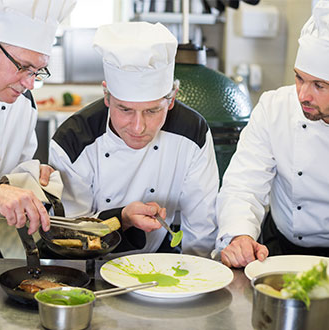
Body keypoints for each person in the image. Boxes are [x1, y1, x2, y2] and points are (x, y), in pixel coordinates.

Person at [49, 22, 219, 257]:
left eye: (152, 111)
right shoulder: (74, 139)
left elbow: (202, 229)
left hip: (160, 259)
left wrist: (194, 282)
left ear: (171, 100)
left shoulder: (193, 131)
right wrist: (123, 218)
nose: (138, 127)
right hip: (89, 265)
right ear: (107, 96)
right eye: (125, 110)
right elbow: (71, 234)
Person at [213, 0, 329, 268]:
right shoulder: (275, 107)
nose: (303, 95)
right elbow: (244, 183)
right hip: (279, 250)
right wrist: (240, 235)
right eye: (299, 78)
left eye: (319, 85)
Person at [0, 0, 76, 235]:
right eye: (23, 67)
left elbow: (9, 178)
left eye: (36, 72)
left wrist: (32, 177)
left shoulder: (24, 105)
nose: (30, 83)